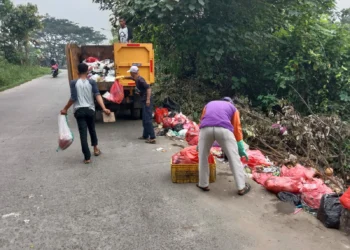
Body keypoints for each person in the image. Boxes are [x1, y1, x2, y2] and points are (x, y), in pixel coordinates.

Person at [197, 97, 251, 195]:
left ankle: (203, 184)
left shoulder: (209, 103)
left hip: (205, 129)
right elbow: (237, 128)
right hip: (224, 130)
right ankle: (241, 187)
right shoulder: (233, 108)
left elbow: (202, 120)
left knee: (203, 157)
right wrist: (240, 147)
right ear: (231, 102)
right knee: (234, 158)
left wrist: (200, 143)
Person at [60, 63, 111, 164]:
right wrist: (104, 108)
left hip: (79, 111)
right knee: (92, 129)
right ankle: (96, 149)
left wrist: (65, 109)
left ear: (77, 71)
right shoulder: (92, 82)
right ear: (87, 71)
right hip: (90, 110)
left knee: (83, 134)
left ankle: (87, 158)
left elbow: (73, 98)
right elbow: (97, 95)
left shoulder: (73, 83)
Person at [122, 66, 156, 144]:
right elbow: (131, 77)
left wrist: (148, 99)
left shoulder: (141, 80)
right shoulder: (136, 78)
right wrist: (123, 77)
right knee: (144, 119)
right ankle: (145, 135)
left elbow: (148, 88)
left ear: (134, 73)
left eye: (131, 72)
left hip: (147, 100)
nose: (130, 73)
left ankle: (152, 137)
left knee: (147, 119)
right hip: (144, 100)